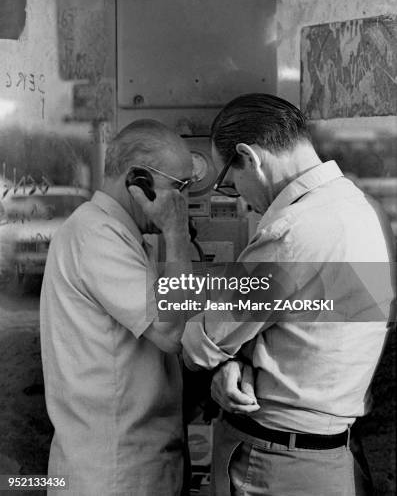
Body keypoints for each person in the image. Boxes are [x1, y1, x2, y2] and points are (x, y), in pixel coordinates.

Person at [182, 93, 395, 496]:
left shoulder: (289, 234)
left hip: (274, 463)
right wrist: (240, 358)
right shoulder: (367, 212)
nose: (240, 197)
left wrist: (225, 359)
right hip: (333, 458)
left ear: (250, 157)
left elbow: (200, 344)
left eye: (231, 184)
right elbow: (315, 323)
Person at [40, 120, 194, 495]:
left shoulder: (115, 233)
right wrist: (176, 235)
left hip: (132, 462)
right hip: (115, 471)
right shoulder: (97, 235)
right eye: (178, 189)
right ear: (139, 180)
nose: (183, 202)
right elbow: (171, 332)